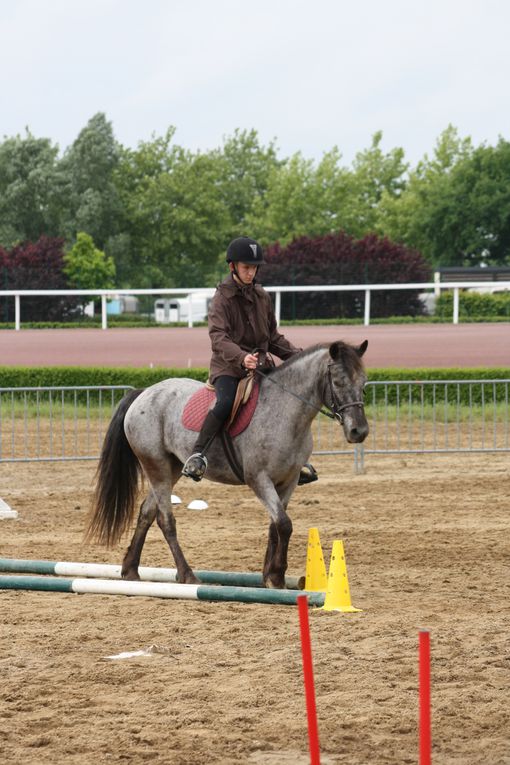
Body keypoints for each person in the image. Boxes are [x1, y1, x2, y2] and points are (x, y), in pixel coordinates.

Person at [182, 236, 318, 485]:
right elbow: (218, 337)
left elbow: (273, 338)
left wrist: (299, 356)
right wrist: (242, 357)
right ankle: (198, 455)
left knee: (284, 406)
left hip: (263, 367)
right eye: (246, 267)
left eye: (254, 267)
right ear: (232, 266)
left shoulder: (262, 296)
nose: (251, 272)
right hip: (229, 368)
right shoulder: (222, 298)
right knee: (223, 404)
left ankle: (292, 461)